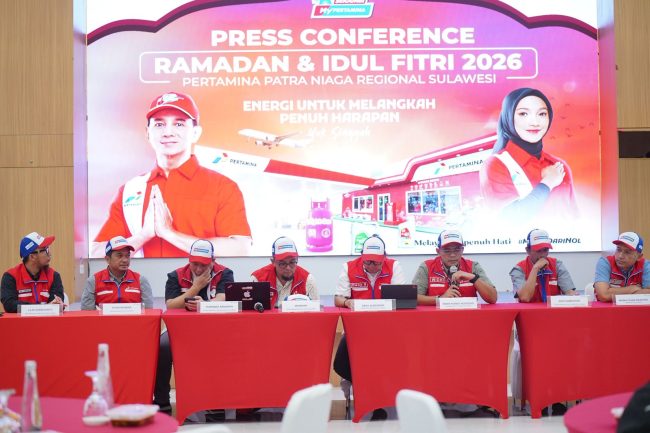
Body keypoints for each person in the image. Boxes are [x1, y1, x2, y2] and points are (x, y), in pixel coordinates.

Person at [92, 91, 252, 258]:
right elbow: (96, 254)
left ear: (195, 133)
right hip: (145, 277)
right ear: (148, 133)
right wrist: (143, 236)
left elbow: (240, 249)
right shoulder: (130, 190)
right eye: (159, 124)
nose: (168, 132)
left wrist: (170, 234)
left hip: (202, 276)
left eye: (179, 124)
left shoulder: (222, 187)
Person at [153, 239, 234, 414]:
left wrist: (204, 305)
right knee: (161, 347)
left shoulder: (225, 273)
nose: (198, 269)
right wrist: (195, 287)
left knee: (224, 347)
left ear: (213, 261)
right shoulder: (175, 275)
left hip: (214, 329)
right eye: (194, 264)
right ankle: (162, 404)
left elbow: (223, 298)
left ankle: (216, 407)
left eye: (203, 265)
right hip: (180, 330)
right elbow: (171, 305)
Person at [333, 234, 406, 420]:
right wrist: (347, 302)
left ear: (384, 257)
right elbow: (338, 298)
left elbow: (402, 299)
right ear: (362, 257)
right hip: (357, 330)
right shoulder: (349, 267)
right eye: (368, 262)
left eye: (377, 262)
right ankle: (363, 388)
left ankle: (376, 399)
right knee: (340, 363)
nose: (372, 266)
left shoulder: (394, 266)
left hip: (387, 330)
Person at [479, 87, 577, 218]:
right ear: (508, 117)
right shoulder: (496, 165)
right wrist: (547, 183)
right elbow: (508, 220)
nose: (535, 122)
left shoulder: (558, 165)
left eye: (542, 114)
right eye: (523, 114)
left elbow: (573, 217)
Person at [413, 229, 498, 305]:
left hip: (467, 316)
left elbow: (493, 298)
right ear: (438, 251)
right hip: (436, 317)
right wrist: (439, 299)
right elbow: (413, 298)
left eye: (457, 250)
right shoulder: (427, 267)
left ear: (462, 250)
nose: (452, 255)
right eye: (447, 250)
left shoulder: (473, 266)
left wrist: (473, 278)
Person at [80, 236, 153, 310]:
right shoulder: (94, 281)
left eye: (127, 256)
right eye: (119, 256)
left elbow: (148, 311)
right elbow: (87, 312)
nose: (125, 260)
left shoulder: (141, 280)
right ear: (107, 259)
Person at [1, 232, 65, 313]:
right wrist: (43, 308)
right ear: (32, 257)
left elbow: (57, 305)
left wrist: (54, 306)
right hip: (21, 321)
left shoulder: (54, 276)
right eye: (45, 249)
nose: (49, 253)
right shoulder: (10, 276)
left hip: (46, 321)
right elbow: (9, 305)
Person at [510, 229, 577, 302]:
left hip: (552, 309)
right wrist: (535, 268)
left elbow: (570, 292)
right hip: (529, 309)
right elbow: (525, 297)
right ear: (528, 251)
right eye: (538, 251)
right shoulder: (519, 269)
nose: (542, 255)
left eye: (545, 250)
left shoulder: (557, 265)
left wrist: (574, 296)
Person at [250, 236, 318, 307]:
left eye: (292, 262)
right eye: (282, 264)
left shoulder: (308, 280)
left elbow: (316, 310)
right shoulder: (258, 279)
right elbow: (250, 311)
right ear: (273, 262)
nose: (288, 268)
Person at [594, 231, 650, 302]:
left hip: (635, 308)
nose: (620, 256)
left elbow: (648, 294)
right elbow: (603, 295)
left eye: (627, 252)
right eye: (618, 249)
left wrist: (613, 293)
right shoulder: (605, 262)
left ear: (639, 257)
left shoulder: (645, 265)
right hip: (607, 308)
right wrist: (631, 289)